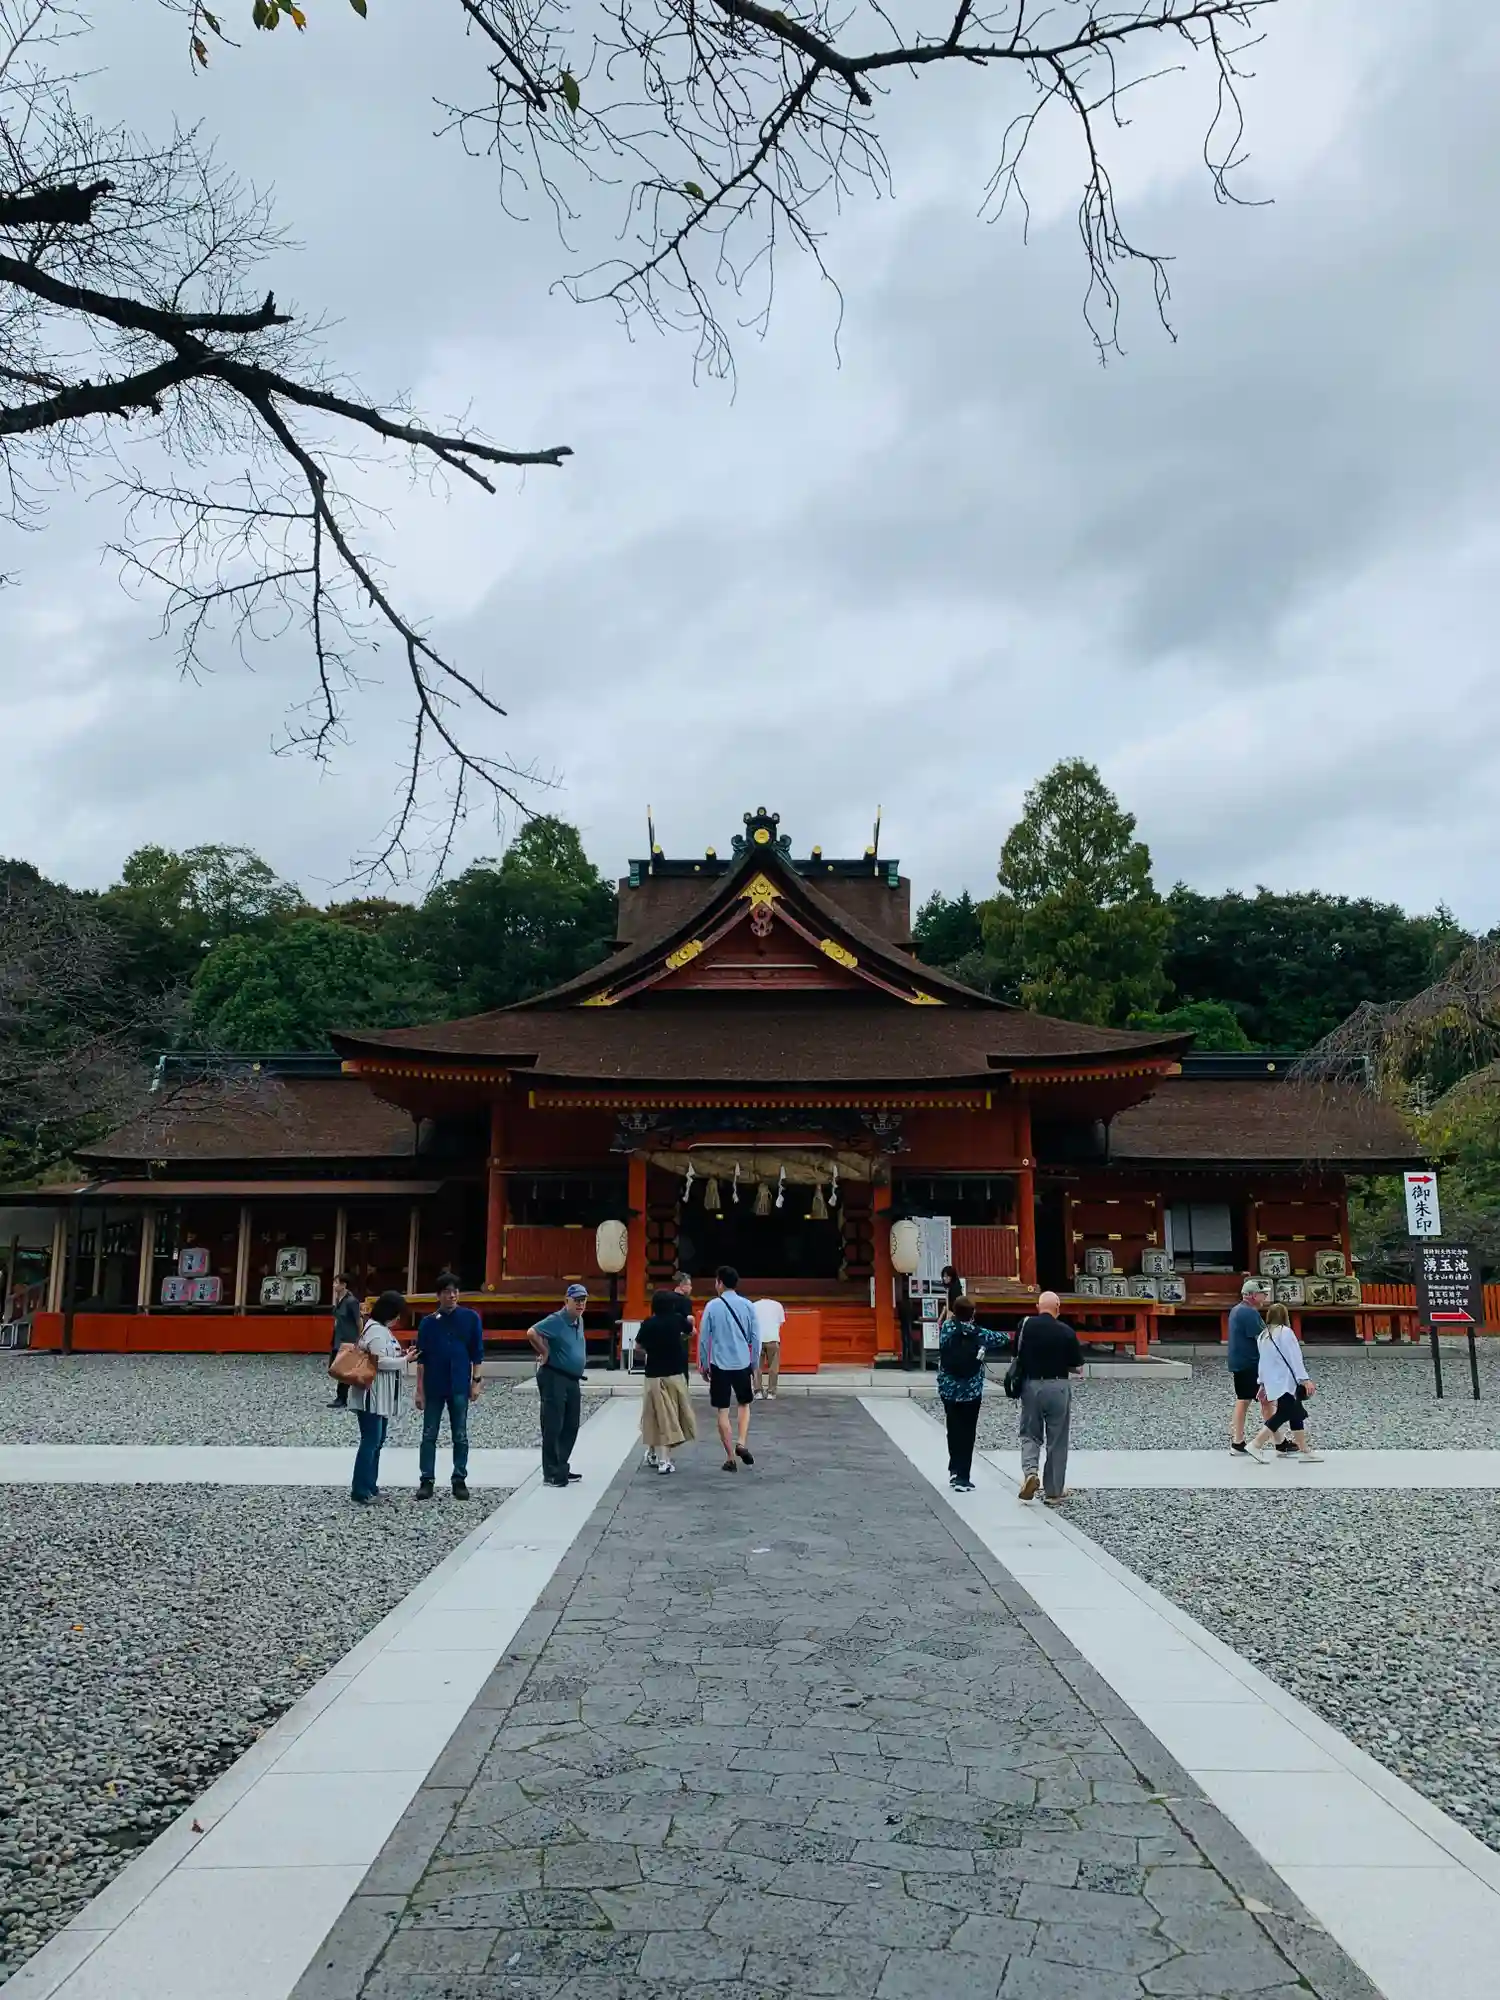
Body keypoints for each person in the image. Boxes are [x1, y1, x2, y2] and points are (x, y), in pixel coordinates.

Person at [414, 1271, 485, 1501]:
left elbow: (477, 1352)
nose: (452, 1296)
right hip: (434, 1384)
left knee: (460, 1434)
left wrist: (476, 1381)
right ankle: (427, 1479)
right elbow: (421, 1359)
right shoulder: (428, 1322)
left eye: (455, 1291)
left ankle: (459, 1478)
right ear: (438, 1295)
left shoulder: (470, 1318)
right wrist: (419, 1389)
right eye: (447, 1292)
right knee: (429, 1434)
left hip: (459, 1383)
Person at [1015, 1290, 1085, 1505]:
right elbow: (1077, 1366)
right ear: (1058, 1308)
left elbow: (1016, 1355)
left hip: (1032, 1385)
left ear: (1038, 1307)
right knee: (1057, 1438)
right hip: (1058, 1386)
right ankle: (1054, 1491)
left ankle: (1030, 1473)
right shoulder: (1066, 1331)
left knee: (1030, 1433)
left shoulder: (1025, 1326)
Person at [348, 1290, 409, 1504]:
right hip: (371, 1395)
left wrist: (402, 1356)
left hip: (379, 1396)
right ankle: (360, 1490)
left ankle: (370, 1486)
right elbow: (379, 1361)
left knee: (376, 1441)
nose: (398, 1318)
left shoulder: (379, 1329)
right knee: (371, 1441)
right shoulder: (376, 1331)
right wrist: (405, 1360)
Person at [698, 1264, 760, 1471]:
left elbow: (704, 1339)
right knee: (744, 1404)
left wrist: (704, 1364)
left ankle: (730, 1458)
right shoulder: (748, 1306)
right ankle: (741, 1442)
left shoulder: (712, 1306)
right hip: (742, 1362)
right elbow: (755, 1338)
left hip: (719, 1364)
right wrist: (754, 1363)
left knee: (722, 1410)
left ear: (720, 1283)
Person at [527, 1282, 590, 1487]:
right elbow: (532, 1332)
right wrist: (544, 1351)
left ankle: (561, 1465)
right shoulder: (557, 1319)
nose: (580, 1304)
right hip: (555, 1375)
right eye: (576, 1300)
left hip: (572, 1378)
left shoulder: (579, 1320)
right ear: (566, 1300)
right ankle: (551, 1472)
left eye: (583, 1300)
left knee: (571, 1424)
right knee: (554, 1424)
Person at [1248, 1304, 1323, 1461]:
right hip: (1286, 1381)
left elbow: (1263, 1362)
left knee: (1296, 1412)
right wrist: (1304, 1379)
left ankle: (1303, 1449)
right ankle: (1256, 1444)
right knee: (1285, 1413)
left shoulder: (1263, 1335)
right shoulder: (1285, 1332)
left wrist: (1262, 1383)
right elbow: (1294, 1357)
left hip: (1273, 1381)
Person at [637, 1287, 697, 1474]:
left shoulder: (648, 1323)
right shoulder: (677, 1320)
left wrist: (650, 1350)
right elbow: (692, 1331)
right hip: (674, 1374)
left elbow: (638, 1346)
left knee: (655, 1415)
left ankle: (652, 1452)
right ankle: (664, 1460)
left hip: (653, 1375)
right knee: (670, 1417)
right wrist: (680, 1338)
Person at [936, 1295, 991, 1492]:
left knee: (953, 1428)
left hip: (949, 1389)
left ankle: (953, 1469)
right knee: (968, 1432)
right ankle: (963, 1476)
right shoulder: (979, 1333)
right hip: (971, 1390)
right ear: (972, 1313)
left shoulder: (946, 1329)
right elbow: (1001, 1338)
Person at [1227, 1276, 1270, 1455]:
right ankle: (1278, 1441)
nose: (1265, 1297)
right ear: (1252, 1295)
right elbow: (1263, 1337)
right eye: (1262, 1294)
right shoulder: (1249, 1313)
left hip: (1240, 1361)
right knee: (1265, 1400)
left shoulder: (1237, 1310)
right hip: (1250, 1362)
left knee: (1244, 1399)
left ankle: (1238, 1440)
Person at [328, 1274, 362, 1409]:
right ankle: (342, 1396)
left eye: (336, 1283)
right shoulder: (339, 1299)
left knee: (344, 1368)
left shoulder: (351, 1301)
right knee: (335, 1367)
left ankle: (342, 1397)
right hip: (338, 1337)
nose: (334, 1285)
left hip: (348, 1339)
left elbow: (358, 1320)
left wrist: (360, 1338)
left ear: (344, 1285)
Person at [754, 1293, 786, 1399]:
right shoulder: (778, 1305)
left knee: (757, 1367)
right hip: (773, 1339)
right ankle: (771, 1392)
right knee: (773, 1367)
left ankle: (758, 1391)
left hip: (758, 1340)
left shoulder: (754, 1305)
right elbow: (781, 1322)